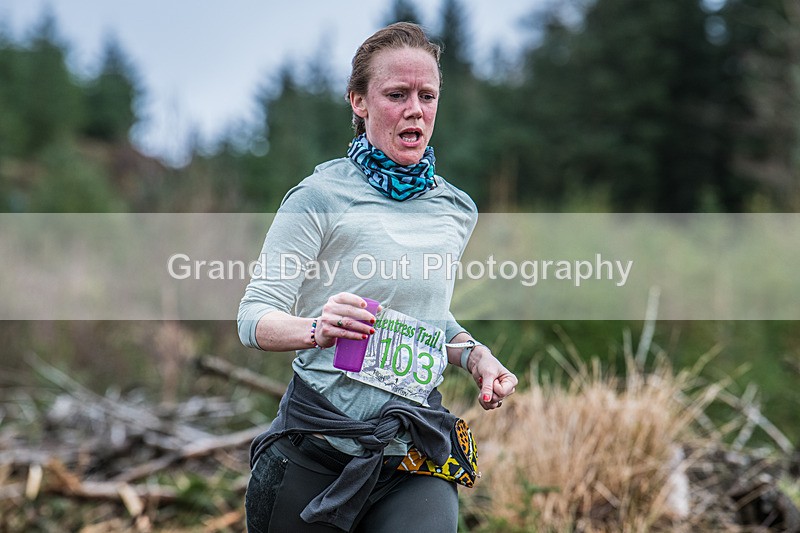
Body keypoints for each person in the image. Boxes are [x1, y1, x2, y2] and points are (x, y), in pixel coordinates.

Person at [238, 21, 518, 533]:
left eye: (427, 95)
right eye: (396, 94)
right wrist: (316, 329)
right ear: (359, 102)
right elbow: (253, 316)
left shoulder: (456, 209)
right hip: (314, 455)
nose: (416, 108)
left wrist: (472, 355)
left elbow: (422, 315)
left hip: (410, 456)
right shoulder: (317, 199)